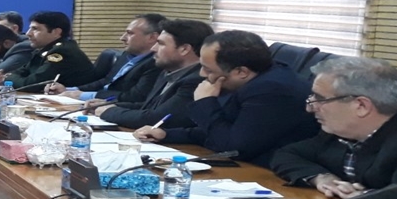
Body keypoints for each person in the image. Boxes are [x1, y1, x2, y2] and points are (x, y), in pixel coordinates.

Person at [134, 30, 318, 167]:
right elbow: (224, 128)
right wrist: (167, 134)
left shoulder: (271, 90)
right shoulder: (256, 77)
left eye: (208, 69)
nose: (202, 74)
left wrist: (204, 103)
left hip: (274, 175)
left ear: (241, 72)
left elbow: (233, 148)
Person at [270, 57, 397, 199]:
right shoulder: (341, 131)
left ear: (361, 106)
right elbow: (288, 154)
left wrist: (362, 197)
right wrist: (322, 178)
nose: (310, 107)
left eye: (320, 99)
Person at [97, 18, 212, 129]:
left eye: (161, 44)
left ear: (184, 49)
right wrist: (109, 105)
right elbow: (149, 106)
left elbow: (155, 118)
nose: (153, 48)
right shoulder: (167, 72)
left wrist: (109, 112)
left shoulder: (196, 80)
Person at [47, 13, 164, 103]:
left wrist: (83, 95)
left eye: (130, 33)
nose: (122, 38)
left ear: (152, 37)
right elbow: (106, 82)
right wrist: (69, 90)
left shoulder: (156, 64)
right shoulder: (127, 55)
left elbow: (133, 97)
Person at [0, 11, 94, 92]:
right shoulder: (45, 49)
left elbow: (32, 84)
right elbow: (23, 71)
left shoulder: (62, 52)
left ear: (56, 32)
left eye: (35, 29)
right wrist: (6, 76)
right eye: (29, 29)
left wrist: (6, 78)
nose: (28, 33)